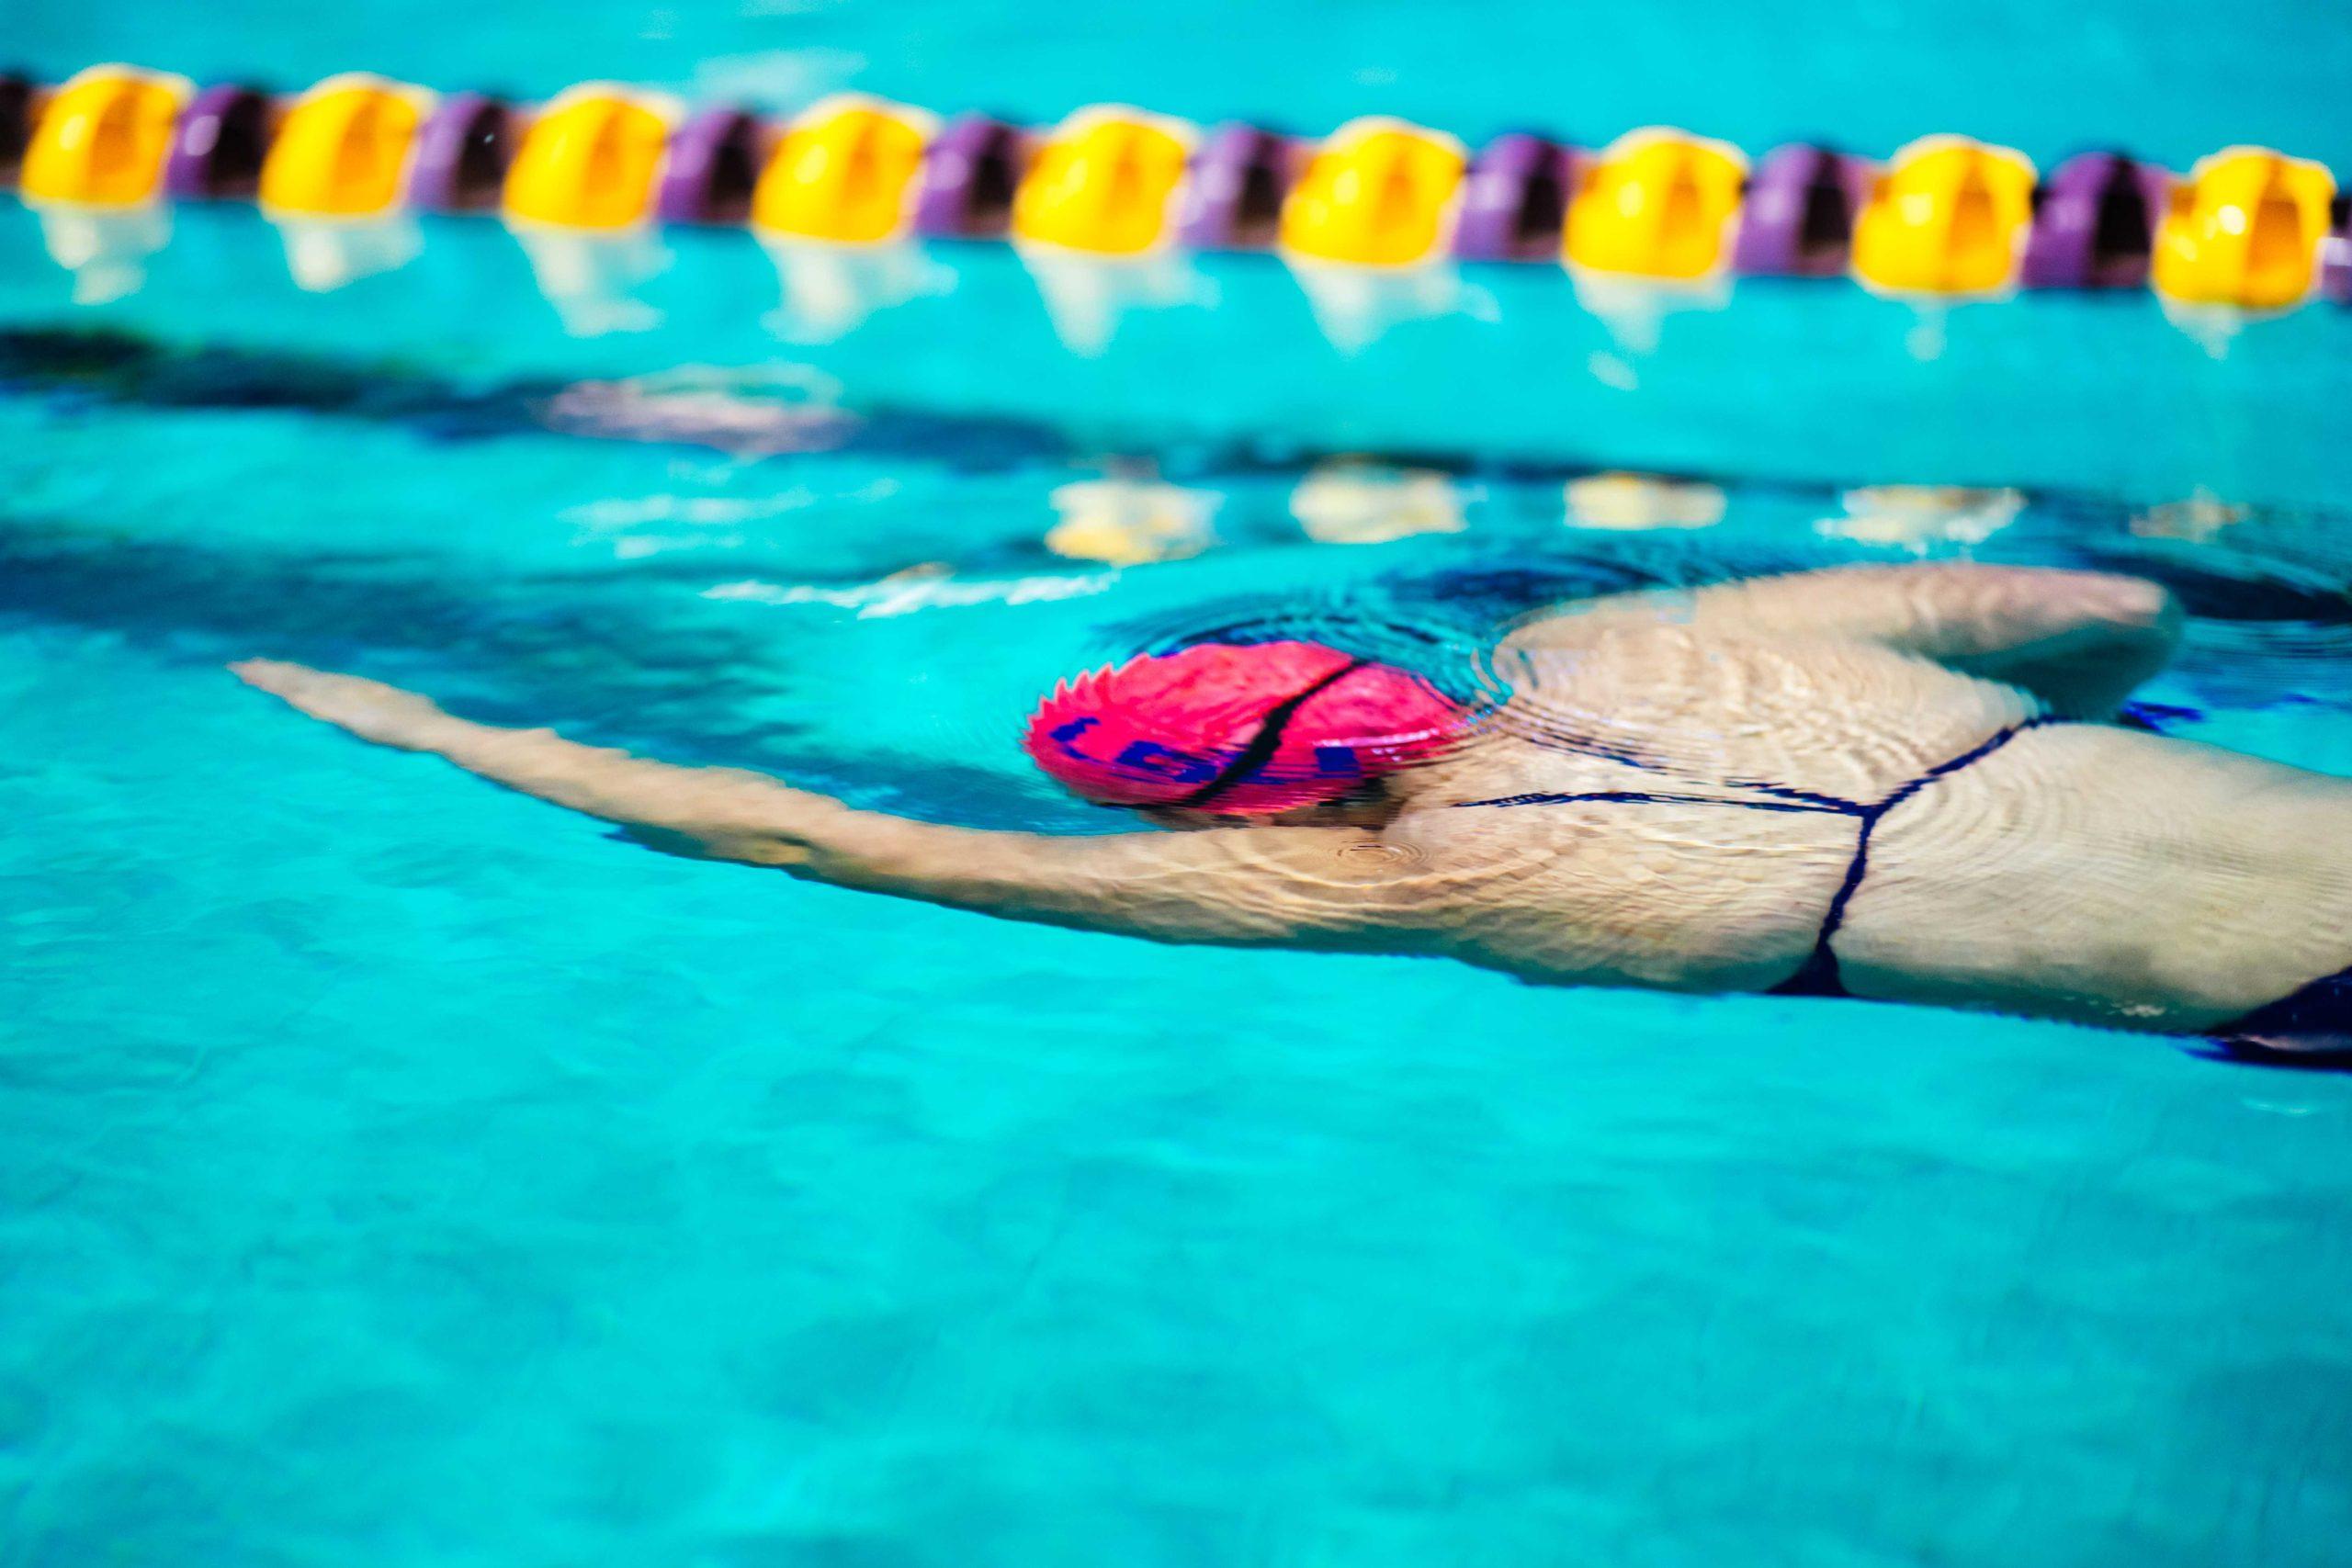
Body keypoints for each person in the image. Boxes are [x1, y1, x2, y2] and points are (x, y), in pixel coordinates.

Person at [232, 562, 2352, 1056]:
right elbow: (2101, 604)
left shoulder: (1372, 883)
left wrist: (438, 733)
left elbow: (809, 834)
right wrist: (2082, 711)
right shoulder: (1638, 646)